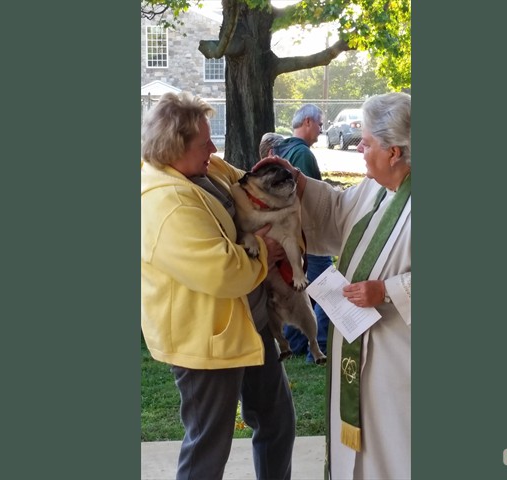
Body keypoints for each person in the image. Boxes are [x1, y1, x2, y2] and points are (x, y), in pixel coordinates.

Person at [256, 92, 412, 479]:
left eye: (369, 142)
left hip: (397, 356)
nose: (360, 146)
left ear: (394, 151)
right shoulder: (377, 188)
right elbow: (338, 212)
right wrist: (299, 183)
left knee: (395, 441)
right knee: (365, 441)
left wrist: (387, 291)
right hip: (360, 348)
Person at [141, 91, 296, 480]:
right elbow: (223, 274)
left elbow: (242, 179)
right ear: (173, 148)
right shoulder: (166, 204)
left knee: (277, 421)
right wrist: (265, 249)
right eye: (204, 142)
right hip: (205, 341)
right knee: (208, 448)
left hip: (248, 323)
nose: (213, 148)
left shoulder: (205, 169)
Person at [273, 104, 332, 363]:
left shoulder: (281, 150)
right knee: (330, 289)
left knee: (299, 291)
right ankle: (317, 347)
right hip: (308, 235)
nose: (321, 130)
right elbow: (306, 199)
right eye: (320, 124)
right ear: (308, 122)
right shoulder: (303, 155)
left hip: (289, 237)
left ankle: (295, 343)